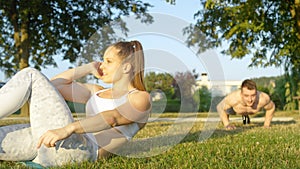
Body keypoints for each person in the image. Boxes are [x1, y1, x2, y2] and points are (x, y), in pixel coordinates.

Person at [0, 40, 151, 167]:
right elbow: (53, 85)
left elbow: (113, 118)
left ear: (126, 67)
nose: (102, 66)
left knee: (31, 74)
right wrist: (87, 68)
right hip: (57, 144)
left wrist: (68, 129)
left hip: (82, 149)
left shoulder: (140, 97)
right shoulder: (95, 91)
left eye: (109, 61)